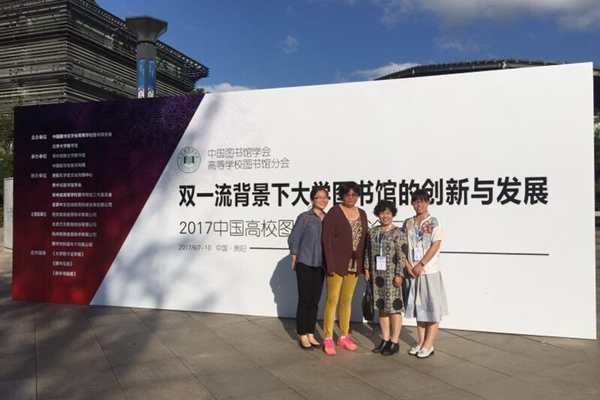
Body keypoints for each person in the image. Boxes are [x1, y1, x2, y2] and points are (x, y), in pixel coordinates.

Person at [321, 181, 369, 355]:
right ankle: (327, 337)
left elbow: (364, 240)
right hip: (336, 263)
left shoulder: (362, 213)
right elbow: (326, 240)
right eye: (348, 194)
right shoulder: (334, 212)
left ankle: (343, 335)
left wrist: (364, 265)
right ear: (342, 195)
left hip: (355, 264)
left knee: (347, 300)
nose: (351, 197)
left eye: (354, 194)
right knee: (332, 299)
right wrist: (329, 264)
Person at [403, 189, 448, 359]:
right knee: (420, 309)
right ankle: (421, 342)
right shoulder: (408, 223)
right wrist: (408, 265)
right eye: (415, 201)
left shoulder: (434, 222)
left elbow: (436, 245)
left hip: (429, 271)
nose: (419, 205)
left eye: (422, 201)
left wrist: (421, 264)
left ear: (428, 202)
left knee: (432, 308)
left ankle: (429, 344)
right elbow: (403, 245)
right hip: (413, 273)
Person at [288, 185, 330, 350]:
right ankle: (302, 333)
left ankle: (310, 332)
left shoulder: (328, 218)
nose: (322, 200)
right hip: (305, 262)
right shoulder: (305, 217)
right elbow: (294, 238)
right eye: (319, 197)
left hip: (321, 264)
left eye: (325, 197)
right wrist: (294, 256)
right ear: (312, 199)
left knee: (314, 300)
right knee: (304, 299)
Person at [364, 200, 406, 356]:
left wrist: (399, 274)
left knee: (394, 309)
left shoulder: (398, 233)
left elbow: (402, 255)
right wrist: (366, 269)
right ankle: (385, 339)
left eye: (388, 213)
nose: (385, 216)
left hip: (392, 276)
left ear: (392, 214)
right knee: (382, 308)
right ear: (378, 215)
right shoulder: (373, 232)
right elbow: (367, 252)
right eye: (382, 213)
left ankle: (394, 342)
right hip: (377, 276)